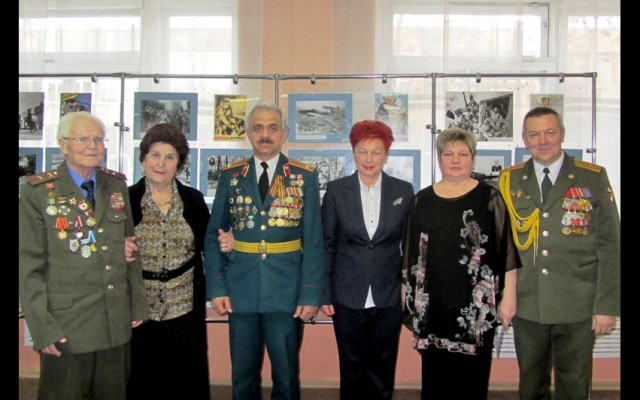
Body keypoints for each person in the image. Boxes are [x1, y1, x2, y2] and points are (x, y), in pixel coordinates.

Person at [18, 111, 148, 399]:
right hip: (67, 325)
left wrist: (137, 305)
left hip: (114, 321)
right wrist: (41, 327)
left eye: (98, 140)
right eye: (83, 139)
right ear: (63, 144)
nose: (93, 146)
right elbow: (28, 266)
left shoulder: (115, 186)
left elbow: (131, 249)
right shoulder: (39, 192)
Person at [203, 101, 325, 400]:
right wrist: (217, 287)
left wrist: (310, 294)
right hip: (241, 288)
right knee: (242, 376)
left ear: (283, 133)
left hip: (286, 290)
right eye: (258, 128)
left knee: (286, 376)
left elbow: (313, 240)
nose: (265, 134)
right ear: (248, 133)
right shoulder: (231, 176)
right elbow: (214, 234)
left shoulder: (303, 176)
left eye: (272, 128)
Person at [498, 106, 620, 400]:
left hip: (577, 303)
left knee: (574, 383)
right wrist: (504, 295)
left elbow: (610, 245)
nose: (543, 141)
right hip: (528, 302)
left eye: (550, 133)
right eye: (534, 134)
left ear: (562, 134)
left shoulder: (592, 177)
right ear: (525, 139)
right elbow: (502, 245)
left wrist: (606, 306)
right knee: (531, 384)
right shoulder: (510, 180)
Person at [401, 126, 521, 400]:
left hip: (476, 306)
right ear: (439, 158)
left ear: (473, 159)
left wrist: (509, 298)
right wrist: (407, 303)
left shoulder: (489, 198)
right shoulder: (422, 200)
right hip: (434, 306)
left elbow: (507, 252)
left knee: (472, 383)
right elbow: (410, 257)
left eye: (463, 154)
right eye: (448, 154)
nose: (455, 160)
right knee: (436, 381)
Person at [321, 120, 414, 400]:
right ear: (353, 152)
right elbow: (327, 244)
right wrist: (325, 292)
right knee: (351, 369)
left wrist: (407, 291)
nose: (369, 159)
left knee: (382, 369)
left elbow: (409, 246)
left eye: (376, 152)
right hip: (346, 293)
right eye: (362, 151)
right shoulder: (336, 190)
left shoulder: (403, 191)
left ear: (386, 154)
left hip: (388, 294)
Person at [126, 123, 211, 399]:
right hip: (139, 309)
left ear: (179, 164)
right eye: (155, 155)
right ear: (143, 158)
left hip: (183, 306)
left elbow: (209, 245)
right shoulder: (126, 200)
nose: (161, 163)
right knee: (141, 381)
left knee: (183, 382)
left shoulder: (193, 200)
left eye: (169, 157)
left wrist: (227, 242)